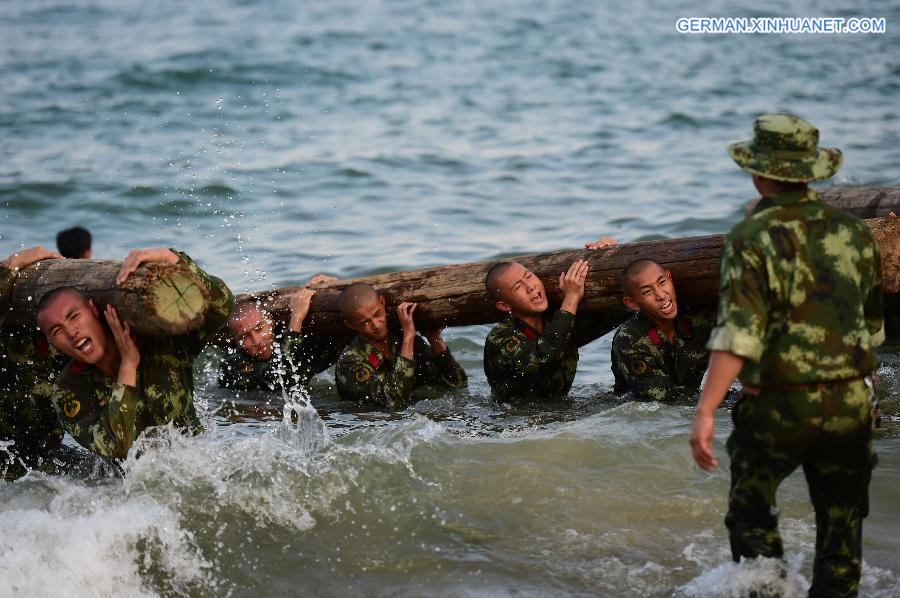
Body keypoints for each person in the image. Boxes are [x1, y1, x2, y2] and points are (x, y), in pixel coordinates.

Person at [689, 114, 883, 596]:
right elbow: (873, 328)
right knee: (841, 531)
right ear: (811, 171)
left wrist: (706, 410)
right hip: (849, 403)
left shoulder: (751, 236)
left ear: (759, 172)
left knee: (751, 519)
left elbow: (739, 332)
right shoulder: (854, 232)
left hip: (780, 405)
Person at [37, 247, 234, 459]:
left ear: (93, 310)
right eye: (57, 330)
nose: (71, 332)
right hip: (130, 486)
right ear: (52, 342)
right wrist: (128, 366)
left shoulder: (158, 341)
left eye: (74, 316)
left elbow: (222, 306)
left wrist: (175, 259)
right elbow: (116, 446)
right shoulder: (69, 390)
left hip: (198, 464)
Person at [483, 259, 611, 402]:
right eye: (518, 286)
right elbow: (543, 356)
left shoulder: (555, 321)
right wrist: (571, 297)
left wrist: (604, 255)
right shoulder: (498, 337)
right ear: (505, 305)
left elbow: (616, 314)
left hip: (556, 410)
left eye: (529, 276)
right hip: (515, 417)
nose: (530, 286)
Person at [334, 282, 467, 408]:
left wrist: (435, 340)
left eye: (378, 314)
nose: (376, 325)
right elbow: (393, 401)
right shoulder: (349, 363)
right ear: (350, 324)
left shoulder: (404, 342)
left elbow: (458, 385)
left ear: (382, 302)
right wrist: (408, 337)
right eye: (365, 322)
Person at [219, 275, 346, 394]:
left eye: (259, 329)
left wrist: (333, 286)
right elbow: (281, 377)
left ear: (271, 322)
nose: (256, 341)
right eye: (244, 336)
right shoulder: (232, 365)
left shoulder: (285, 343)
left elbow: (338, 344)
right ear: (236, 341)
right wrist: (297, 318)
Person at [610, 258, 714, 402]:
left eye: (662, 283)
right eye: (647, 291)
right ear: (632, 303)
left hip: (688, 404)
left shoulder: (699, 321)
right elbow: (660, 400)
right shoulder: (629, 338)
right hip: (638, 416)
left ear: (670, 278)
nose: (661, 295)